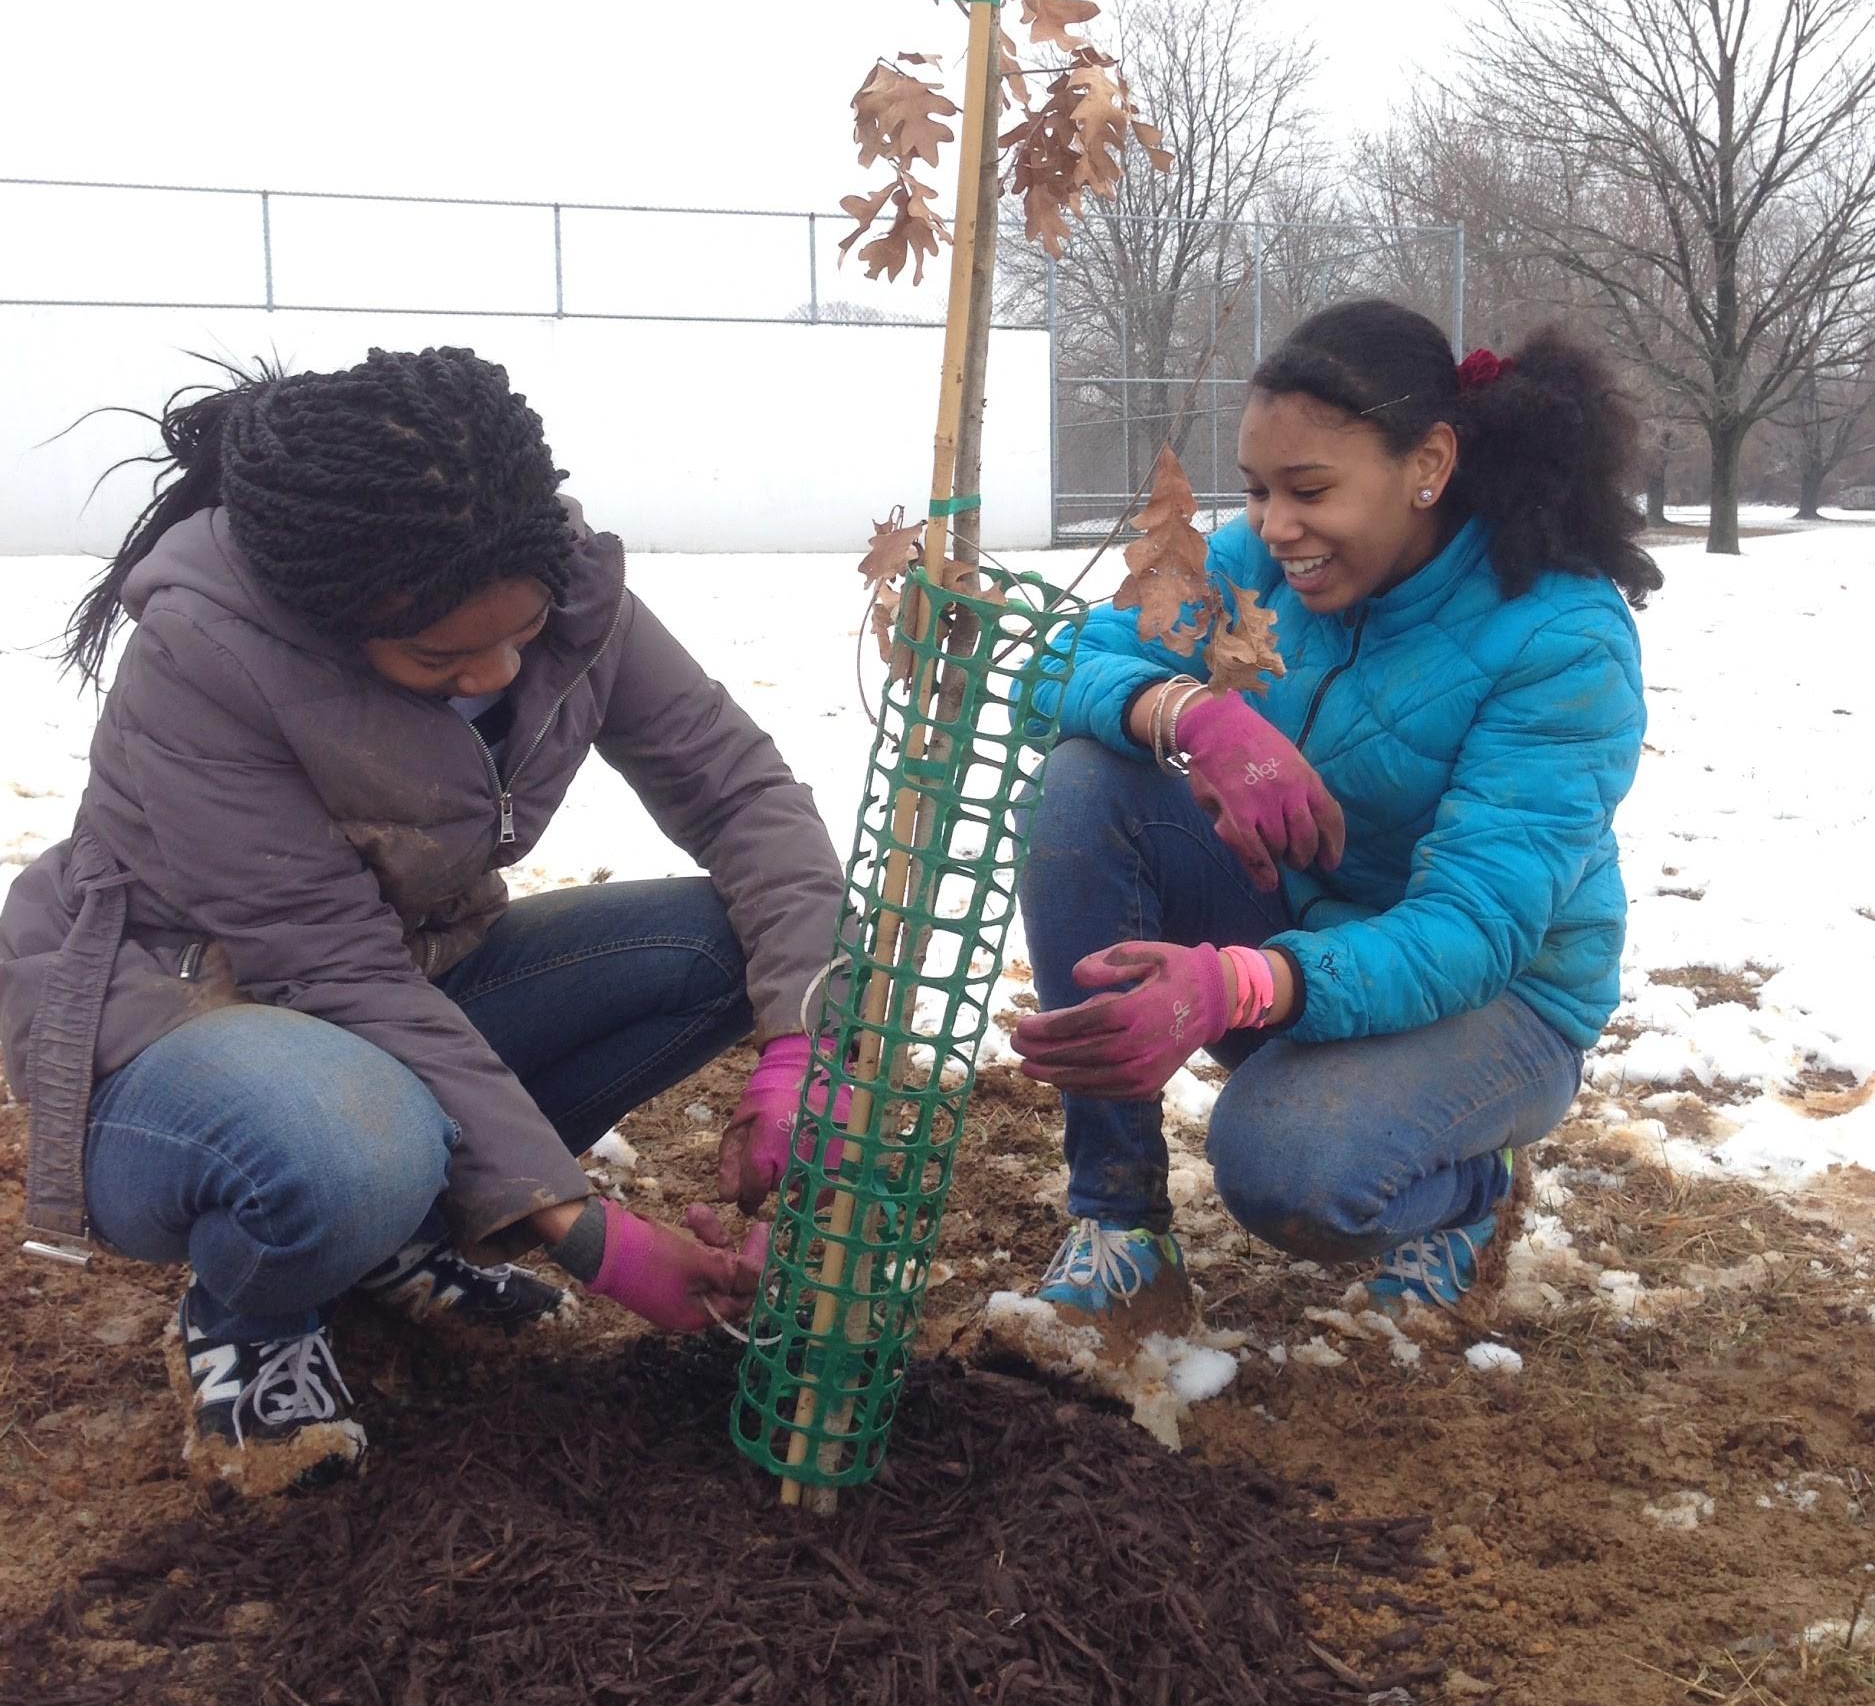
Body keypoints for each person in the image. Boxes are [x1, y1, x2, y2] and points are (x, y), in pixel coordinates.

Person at [0, 347, 846, 1497]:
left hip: (397, 986)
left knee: (720, 948)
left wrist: (802, 1048)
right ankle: (249, 1316)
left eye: (521, 630)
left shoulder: (568, 592)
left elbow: (740, 792)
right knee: (345, 1148)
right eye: (439, 656)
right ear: (333, 617)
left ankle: (396, 1244)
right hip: (171, 1024)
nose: (495, 669)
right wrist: (588, 1234)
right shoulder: (207, 656)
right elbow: (333, 970)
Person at [1011, 299, 1657, 1329]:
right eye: (1256, 489)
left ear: (1427, 464)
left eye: (1309, 490)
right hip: (1297, 929)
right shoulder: (1253, 564)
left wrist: (1240, 982)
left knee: (1292, 1169)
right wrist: (1188, 712)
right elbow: (1050, 670)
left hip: (1498, 1000)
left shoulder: (1562, 638)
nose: (1275, 526)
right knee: (1084, 782)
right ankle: (1120, 1226)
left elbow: (1473, 929)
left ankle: (1469, 1188)